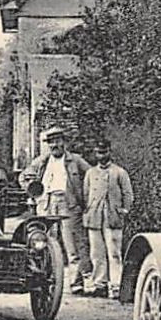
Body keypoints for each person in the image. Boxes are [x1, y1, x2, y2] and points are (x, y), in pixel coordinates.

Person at [20, 126, 93, 292]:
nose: (55, 145)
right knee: (43, 243)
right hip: (46, 204)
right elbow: (23, 176)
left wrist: (85, 197)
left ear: (64, 142)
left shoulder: (75, 160)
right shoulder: (42, 161)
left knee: (72, 243)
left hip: (68, 204)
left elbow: (91, 176)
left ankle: (76, 282)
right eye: (51, 142)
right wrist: (32, 191)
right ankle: (46, 279)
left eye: (58, 141)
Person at [82, 140, 134, 301]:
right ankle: (100, 284)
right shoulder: (90, 173)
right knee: (96, 253)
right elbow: (86, 194)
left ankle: (116, 286)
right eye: (98, 152)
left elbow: (128, 194)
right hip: (95, 217)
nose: (101, 156)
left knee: (114, 253)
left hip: (112, 217)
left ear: (110, 152)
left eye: (104, 152)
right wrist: (89, 209)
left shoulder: (119, 172)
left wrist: (124, 211)